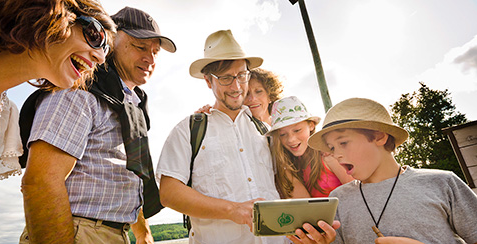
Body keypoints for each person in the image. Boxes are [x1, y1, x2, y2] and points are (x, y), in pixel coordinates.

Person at [20, 7, 176, 244]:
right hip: (77, 231)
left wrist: (142, 234)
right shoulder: (78, 89)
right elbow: (41, 181)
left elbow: (131, 175)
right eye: (140, 46)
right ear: (111, 41)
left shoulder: (132, 106)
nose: (151, 59)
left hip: (114, 233)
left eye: (155, 51)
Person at [0, 0, 115, 203]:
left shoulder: (6, 116)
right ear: (56, 12)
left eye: (106, 50)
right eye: (95, 36)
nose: (100, 58)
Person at [156, 29, 290, 243]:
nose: (237, 87)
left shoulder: (265, 132)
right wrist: (232, 210)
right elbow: (169, 193)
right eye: (226, 78)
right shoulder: (188, 131)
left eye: (242, 76)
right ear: (208, 81)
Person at [303, 97, 477, 244]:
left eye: (343, 143)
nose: (337, 154)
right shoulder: (338, 199)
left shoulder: (442, 183)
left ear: (379, 136)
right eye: (332, 148)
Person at [267, 96, 353, 199]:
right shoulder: (293, 166)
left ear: (311, 125)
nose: (291, 140)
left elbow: (358, 192)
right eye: (283, 134)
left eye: (297, 130)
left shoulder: (328, 155)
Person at [195, 67, 283, 124]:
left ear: (270, 96)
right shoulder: (234, 129)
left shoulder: (285, 124)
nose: (252, 99)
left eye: (259, 91)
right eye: (246, 93)